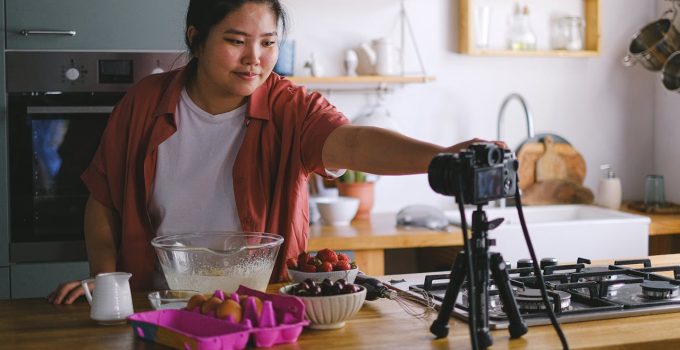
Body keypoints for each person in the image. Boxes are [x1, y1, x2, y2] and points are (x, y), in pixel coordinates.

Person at [48, 0, 505, 304]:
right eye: (235, 41)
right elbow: (103, 200)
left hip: (261, 311)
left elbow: (352, 142)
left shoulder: (291, 106)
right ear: (196, 37)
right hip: (161, 307)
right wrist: (104, 280)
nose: (255, 59)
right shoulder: (144, 103)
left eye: (268, 43)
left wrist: (442, 155)